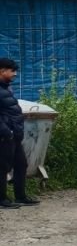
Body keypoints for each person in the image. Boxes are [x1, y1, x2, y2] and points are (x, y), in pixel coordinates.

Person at [0, 58, 38, 208]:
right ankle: (2, 200)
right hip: (5, 136)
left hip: (14, 136)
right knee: (2, 168)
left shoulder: (6, 88)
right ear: (2, 71)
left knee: (21, 164)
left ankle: (20, 196)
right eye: (12, 71)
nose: (15, 74)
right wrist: (6, 132)